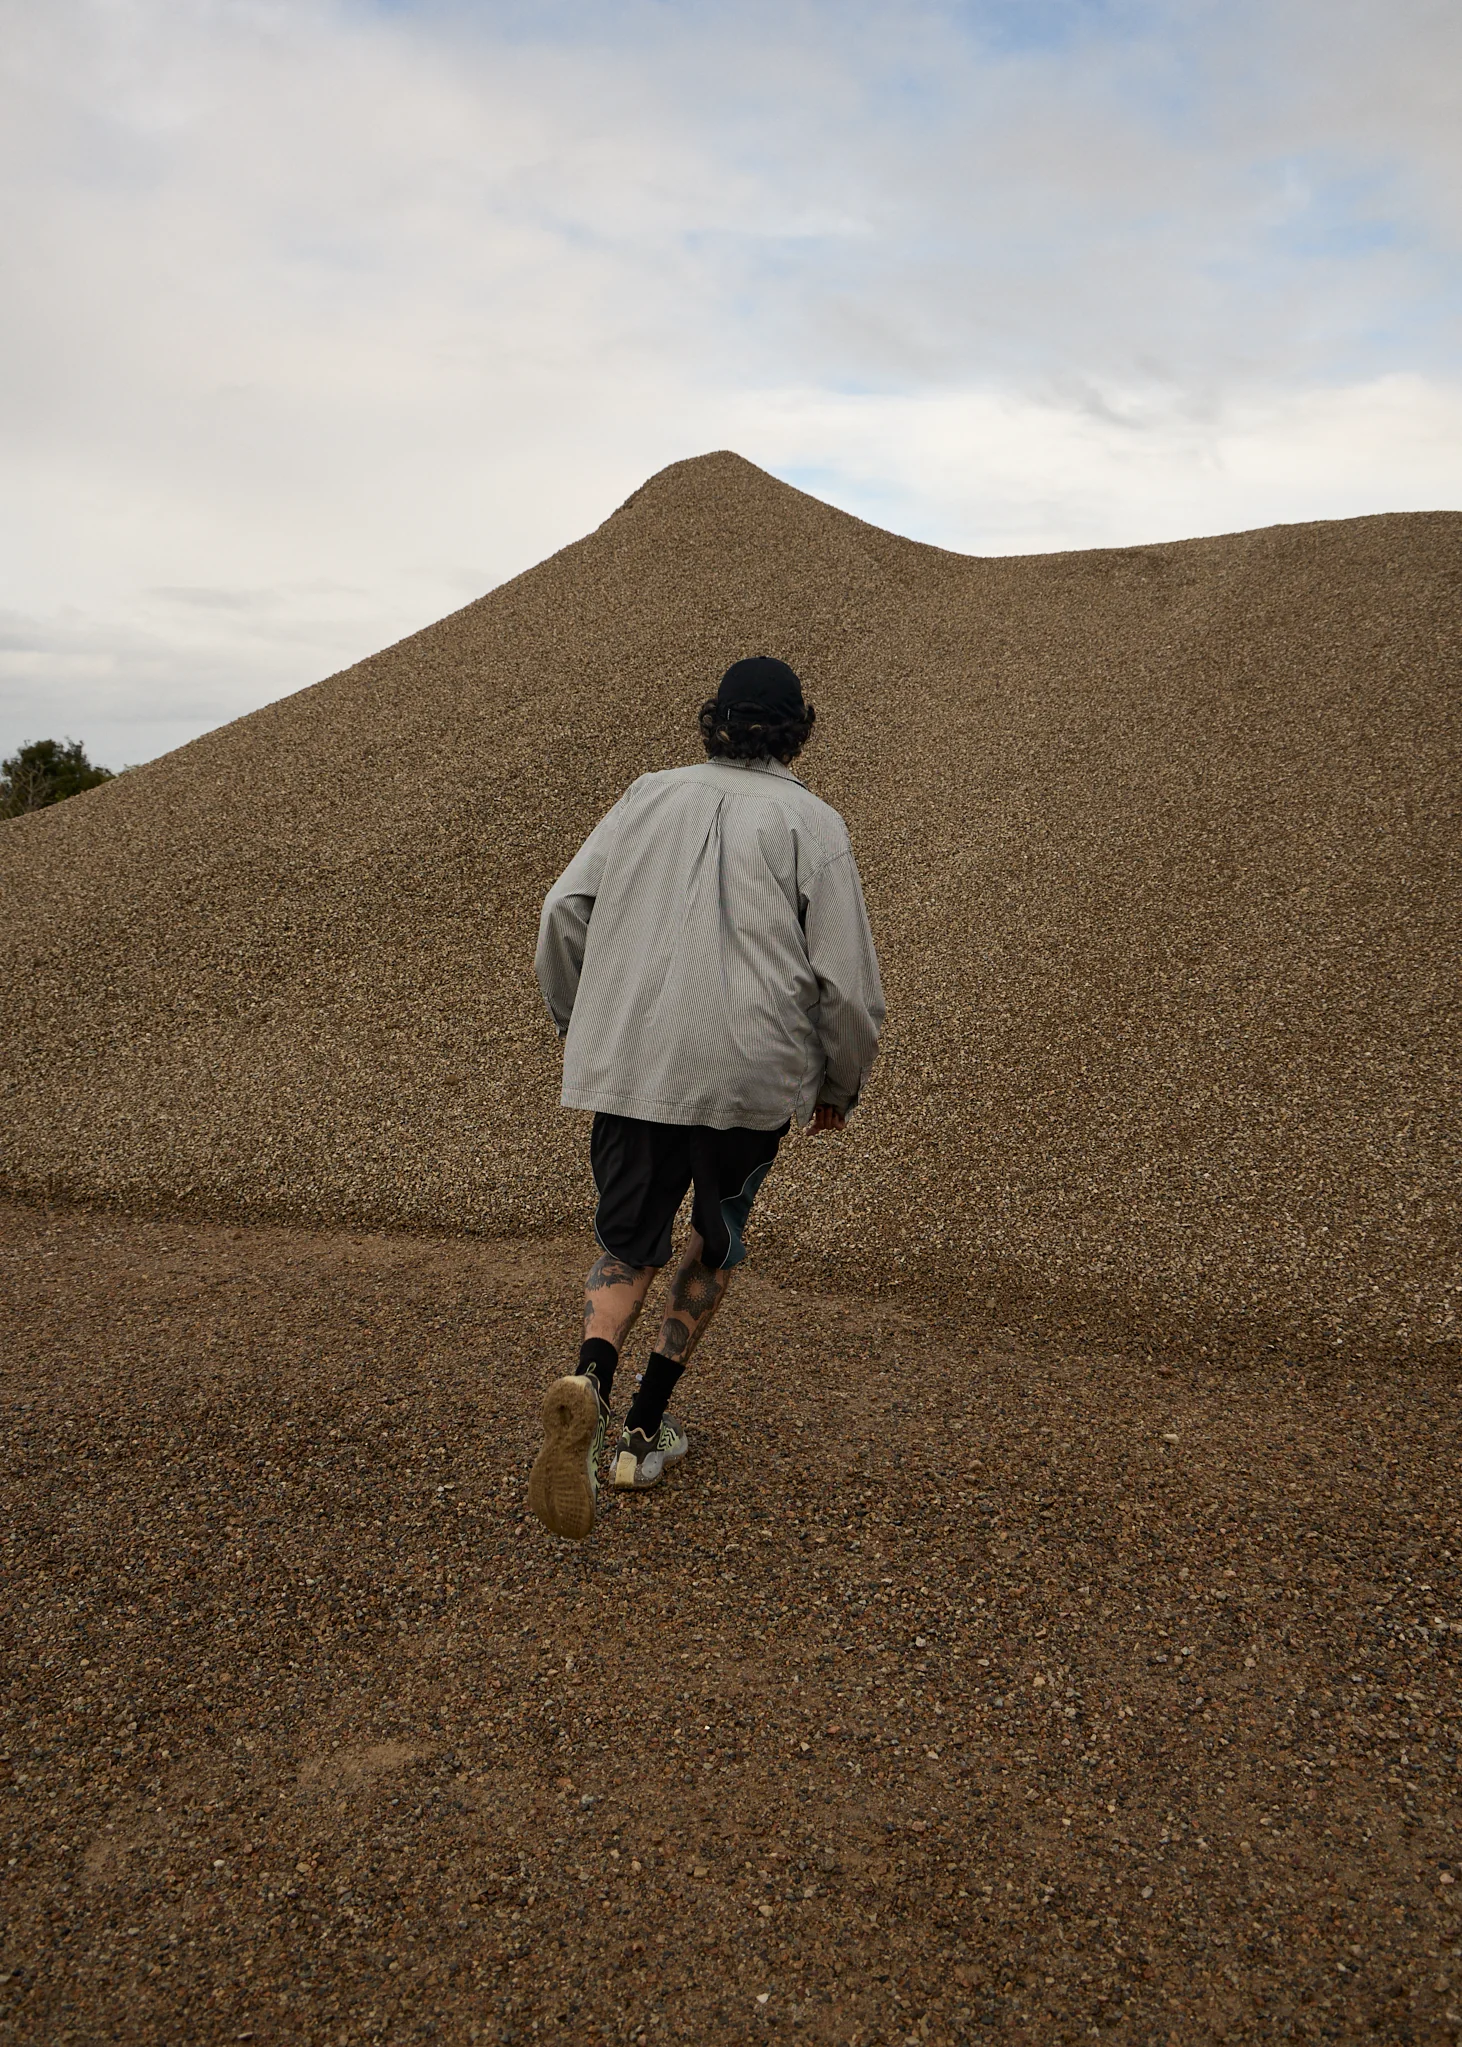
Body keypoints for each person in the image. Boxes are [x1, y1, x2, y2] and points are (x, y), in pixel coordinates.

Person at [526, 656, 885, 1541]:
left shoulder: (645, 794)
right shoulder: (812, 822)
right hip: (745, 1075)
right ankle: (643, 1434)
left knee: (627, 1239)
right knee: (713, 1239)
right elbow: (846, 984)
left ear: (714, 719)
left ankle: (589, 1383)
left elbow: (562, 911)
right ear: (797, 729)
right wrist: (838, 1084)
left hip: (633, 1060)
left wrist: (583, 1024)